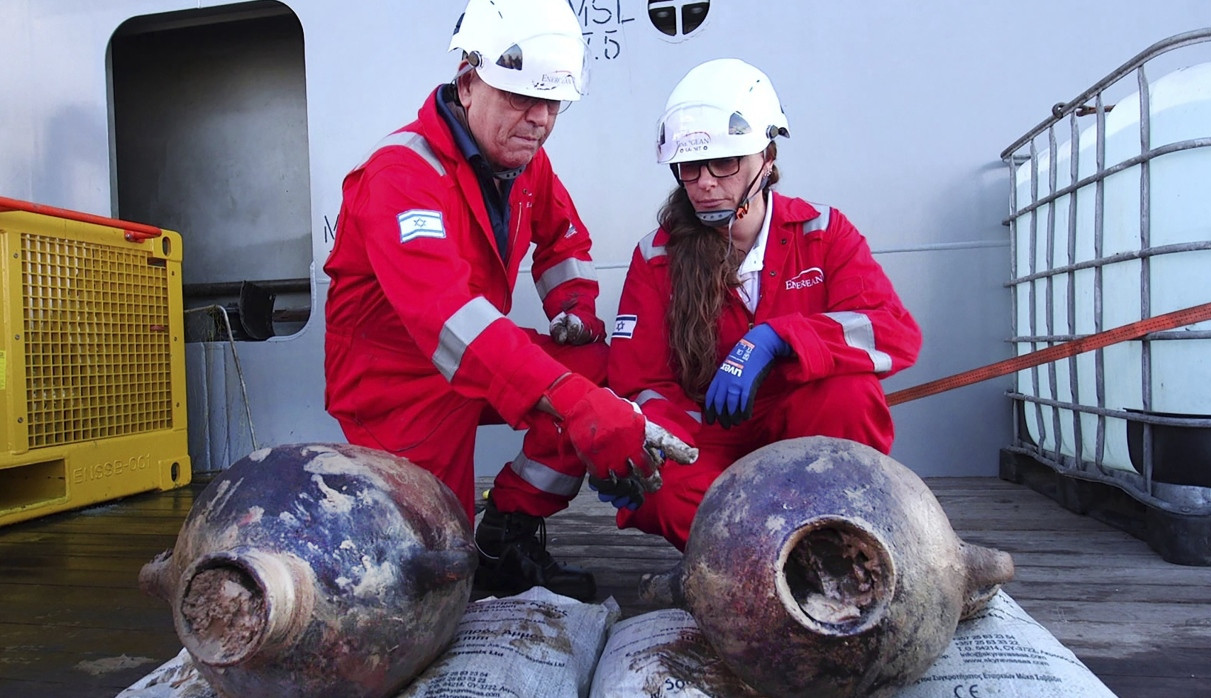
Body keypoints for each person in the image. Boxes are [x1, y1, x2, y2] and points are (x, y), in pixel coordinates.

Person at [323, 0, 686, 601]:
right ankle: (464, 554)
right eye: (521, 98)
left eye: (553, 104)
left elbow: (563, 236)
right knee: (434, 566)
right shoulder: (400, 177)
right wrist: (572, 403)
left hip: (476, 355)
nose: (539, 119)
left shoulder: (522, 162)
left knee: (599, 368)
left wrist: (574, 308)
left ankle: (508, 533)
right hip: (397, 387)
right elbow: (448, 321)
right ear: (468, 80)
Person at [605, 58, 923, 550]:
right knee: (661, 489)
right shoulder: (657, 255)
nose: (705, 181)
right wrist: (660, 443)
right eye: (690, 167)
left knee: (850, 394)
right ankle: (794, 558)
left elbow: (892, 332)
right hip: (707, 437)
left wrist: (778, 339)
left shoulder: (822, 232)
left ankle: (813, 538)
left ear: (767, 157)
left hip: (801, 427)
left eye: (725, 162)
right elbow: (639, 382)